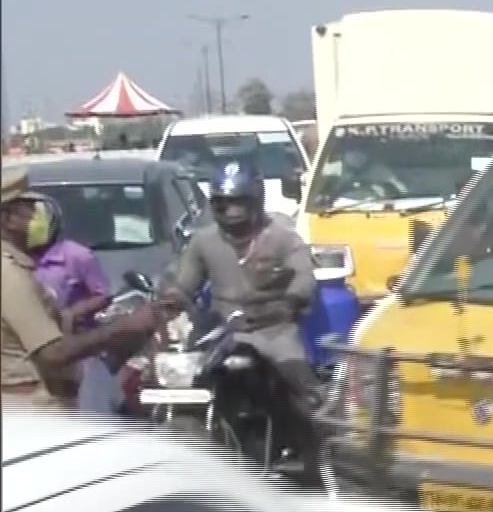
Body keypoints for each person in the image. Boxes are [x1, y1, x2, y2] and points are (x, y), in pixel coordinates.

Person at [166, 160, 319, 445]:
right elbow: (185, 284)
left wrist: (288, 302)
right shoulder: (204, 241)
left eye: (238, 204)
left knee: (303, 393)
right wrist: (170, 299)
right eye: (223, 205)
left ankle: (312, 457)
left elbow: (303, 278)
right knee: (179, 382)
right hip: (221, 332)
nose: (231, 212)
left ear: (256, 201)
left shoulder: (283, 237)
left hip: (274, 329)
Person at [1, 164, 165, 408]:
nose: (39, 218)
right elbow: (52, 354)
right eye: (30, 210)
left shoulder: (21, 264)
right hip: (30, 409)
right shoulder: (9, 273)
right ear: (8, 218)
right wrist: (123, 328)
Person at [21, 195, 122, 414]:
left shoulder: (77, 256)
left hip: (73, 344)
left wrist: (74, 312)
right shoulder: (16, 259)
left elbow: (102, 294)